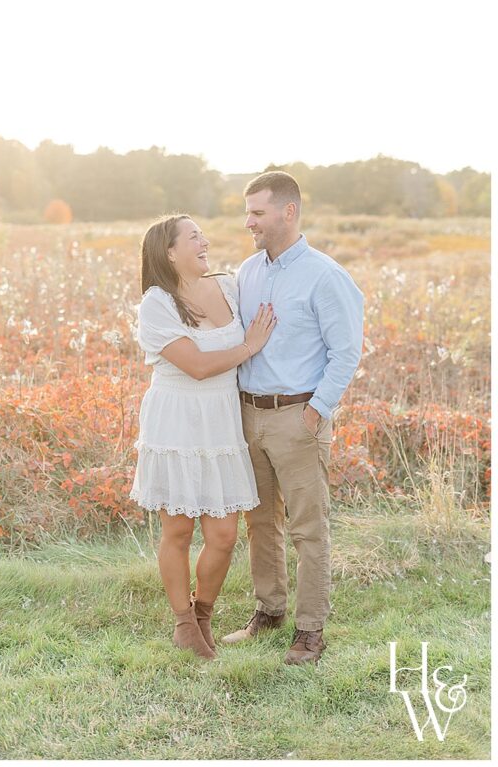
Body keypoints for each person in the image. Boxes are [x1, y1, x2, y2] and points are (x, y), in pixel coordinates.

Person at [223, 171, 364, 665]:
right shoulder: (247, 272)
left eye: (257, 212)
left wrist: (315, 412)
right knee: (260, 522)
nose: (248, 222)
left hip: (298, 417)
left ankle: (310, 631)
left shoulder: (326, 276)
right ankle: (270, 610)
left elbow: (347, 353)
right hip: (249, 413)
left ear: (289, 212)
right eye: (248, 212)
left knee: (308, 527)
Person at [130, 214, 276, 659]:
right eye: (194, 237)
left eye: (202, 235)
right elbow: (194, 366)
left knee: (224, 534)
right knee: (177, 529)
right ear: (170, 252)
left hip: (220, 418)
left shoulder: (229, 286)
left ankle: (203, 614)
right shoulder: (156, 303)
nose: (205, 241)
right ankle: (183, 623)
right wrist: (249, 347)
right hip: (177, 417)